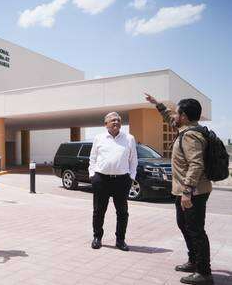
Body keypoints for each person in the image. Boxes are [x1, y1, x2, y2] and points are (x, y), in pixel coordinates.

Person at [145, 94, 213, 285]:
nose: (173, 116)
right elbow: (169, 117)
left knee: (196, 230)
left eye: (177, 113)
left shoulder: (191, 136)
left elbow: (196, 164)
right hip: (186, 190)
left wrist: (187, 191)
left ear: (183, 116)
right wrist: (157, 105)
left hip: (193, 192)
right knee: (184, 225)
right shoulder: (185, 129)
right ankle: (193, 261)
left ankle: (204, 272)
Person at [89, 112, 138, 251]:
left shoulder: (129, 138)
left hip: (122, 181)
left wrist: (131, 177)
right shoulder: (99, 138)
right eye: (112, 120)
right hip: (101, 179)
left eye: (118, 120)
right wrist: (92, 175)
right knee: (99, 211)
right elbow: (92, 158)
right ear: (106, 124)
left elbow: (133, 160)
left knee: (122, 212)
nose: (116, 122)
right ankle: (97, 237)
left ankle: (120, 240)